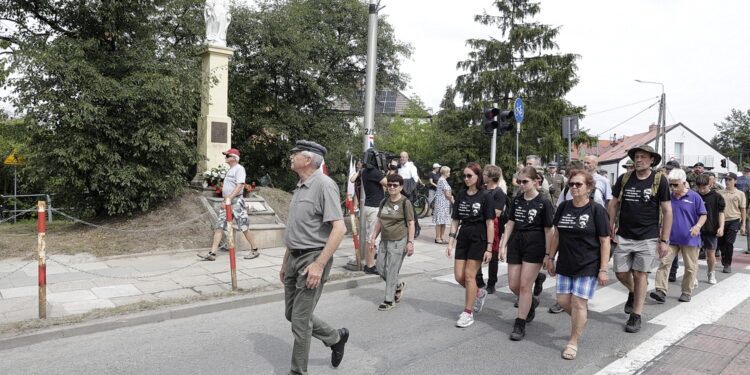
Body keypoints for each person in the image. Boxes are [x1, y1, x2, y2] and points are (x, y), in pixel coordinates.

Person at [280, 140, 348, 374]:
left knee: (300, 321)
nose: (291, 157)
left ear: (308, 159)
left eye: (295, 153)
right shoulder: (300, 186)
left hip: (313, 259)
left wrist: (319, 265)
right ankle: (335, 338)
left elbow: (339, 229)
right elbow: (295, 228)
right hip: (293, 258)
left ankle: (297, 371)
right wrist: (284, 262)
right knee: (291, 314)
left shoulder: (324, 185)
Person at [545, 170, 610, 360]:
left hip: (588, 263)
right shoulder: (564, 206)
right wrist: (550, 257)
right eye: (571, 184)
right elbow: (557, 234)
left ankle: (573, 341)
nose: (573, 187)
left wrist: (603, 269)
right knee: (564, 301)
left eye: (578, 184)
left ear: (589, 187)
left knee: (578, 302)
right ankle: (580, 318)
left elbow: (605, 241)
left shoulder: (597, 210)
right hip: (565, 262)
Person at [608, 144, 672, 333]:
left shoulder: (659, 180)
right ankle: (635, 292)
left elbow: (667, 210)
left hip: (648, 237)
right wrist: (608, 228)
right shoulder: (625, 178)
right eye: (636, 156)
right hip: (624, 235)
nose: (638, 160)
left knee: (639, 274)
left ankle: (636, 316)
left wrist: (664, 240)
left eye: (643, 157)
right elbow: (613, 204)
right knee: (620, 273)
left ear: (652, 160)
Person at [499, 166, 554, 340]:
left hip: (535, 245)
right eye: (519, 181)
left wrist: (547, 254)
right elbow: (510, 223)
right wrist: (503, 245)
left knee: (524, 286)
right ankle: (531, 303)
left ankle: (520, 323)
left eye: (525, 181)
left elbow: (548, 230)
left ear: (535, 181)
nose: (521, 184)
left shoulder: (544, 202)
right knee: (513, 285)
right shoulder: (516, 200)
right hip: (516, 243)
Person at [445, 162, 495, 328]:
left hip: (479, 238)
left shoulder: (486, 195)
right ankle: (478, 292)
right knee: (459, 276)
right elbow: (455, 220)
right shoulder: (460, 195)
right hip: (464, 237)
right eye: (464, 176)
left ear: (477, 177)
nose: (466, 179)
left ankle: (468, 313)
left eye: (469, 176)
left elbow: (490, 223)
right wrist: (450, 242)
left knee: (469, 275)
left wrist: (489, 247)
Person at [650, 169, 706, 303]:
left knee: (690, 267)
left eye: (676, 185)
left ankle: (686, 291)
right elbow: (662, 215)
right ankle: (660, 291)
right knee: (664, 263)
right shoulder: (668, 197)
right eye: (671, 185)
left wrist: (697, 226)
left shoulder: (694, 197)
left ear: (684, 183)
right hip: (671, 238)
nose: (673, 188)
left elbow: (703, 214)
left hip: (689, 239)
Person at [198, 148, 260, 261]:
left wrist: (229, 199)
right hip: (227, 201)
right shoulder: (230, 170)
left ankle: (254, 250)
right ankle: (212, 253)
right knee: (219, 226)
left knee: (244, 226)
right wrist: (225, 201)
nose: (225, 158)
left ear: (234, 158)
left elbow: (240, 186)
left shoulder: (239, 169)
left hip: (236, 201)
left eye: (227, 156)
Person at [367, 174, 415, 311]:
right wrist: (373, 237)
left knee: (392, 270)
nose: (392, 187)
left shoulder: (405, 203)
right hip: (384, 240)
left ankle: (389, 300)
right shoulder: (384, 202)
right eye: (389, 185)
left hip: (399, 241)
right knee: (380, 267)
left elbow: (411, 224)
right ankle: (398, 285)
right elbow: (379, 221)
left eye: (395, 185)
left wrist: (410, 242)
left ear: (400, 187)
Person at [349, 158, 387, 274]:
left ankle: (369, 263)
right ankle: (370, 265)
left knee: (368, 237)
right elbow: (388, 183)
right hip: (374, 207)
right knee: (373, 238)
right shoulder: (375, 172)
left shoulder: (364, 171)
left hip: (367, 206)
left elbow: (352, 179)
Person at [476, 165, 508, 294]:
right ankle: (479, 280)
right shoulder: (481, 190)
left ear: (490, 177)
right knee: (477, 253)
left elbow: (498, 212)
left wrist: (481, 213)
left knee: (493, 256)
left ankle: (491, 283)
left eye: (484, 174)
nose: (482, 176)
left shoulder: (499, 193)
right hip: (480, 227)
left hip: (494, 228)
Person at [695, 173, 724, 284]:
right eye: (699, 188)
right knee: (694, 254)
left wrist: (721, 227)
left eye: (704, 187)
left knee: (710, 254)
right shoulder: (695, 195)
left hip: (711, 230)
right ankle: (694, 276)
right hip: (697, 230)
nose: (701, 190)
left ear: (710, 185)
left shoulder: (717, 197)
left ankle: (711, 273)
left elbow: (721, 213)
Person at [718, 172, 746, 273]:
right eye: (726, 180)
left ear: (735, 181)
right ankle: (724, 256)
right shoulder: (720, 193)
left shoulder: (740, 194)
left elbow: (743, 209)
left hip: (734, 220)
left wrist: (743, 224)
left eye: (730, 180)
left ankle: (727, 264)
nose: (727, 182)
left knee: (729, 243)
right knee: (721, 243)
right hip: (721, 221)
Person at [432, 166, 453, 243]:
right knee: (440, 221)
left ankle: (442, 237)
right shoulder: (442, 180)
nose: (449, 173)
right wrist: (453, 199)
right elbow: (447, 194)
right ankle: (438, 237)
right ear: (445, 172)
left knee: (443, 221)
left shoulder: (443, 180)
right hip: (442, 203)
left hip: (444, 203)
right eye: (448, 172)